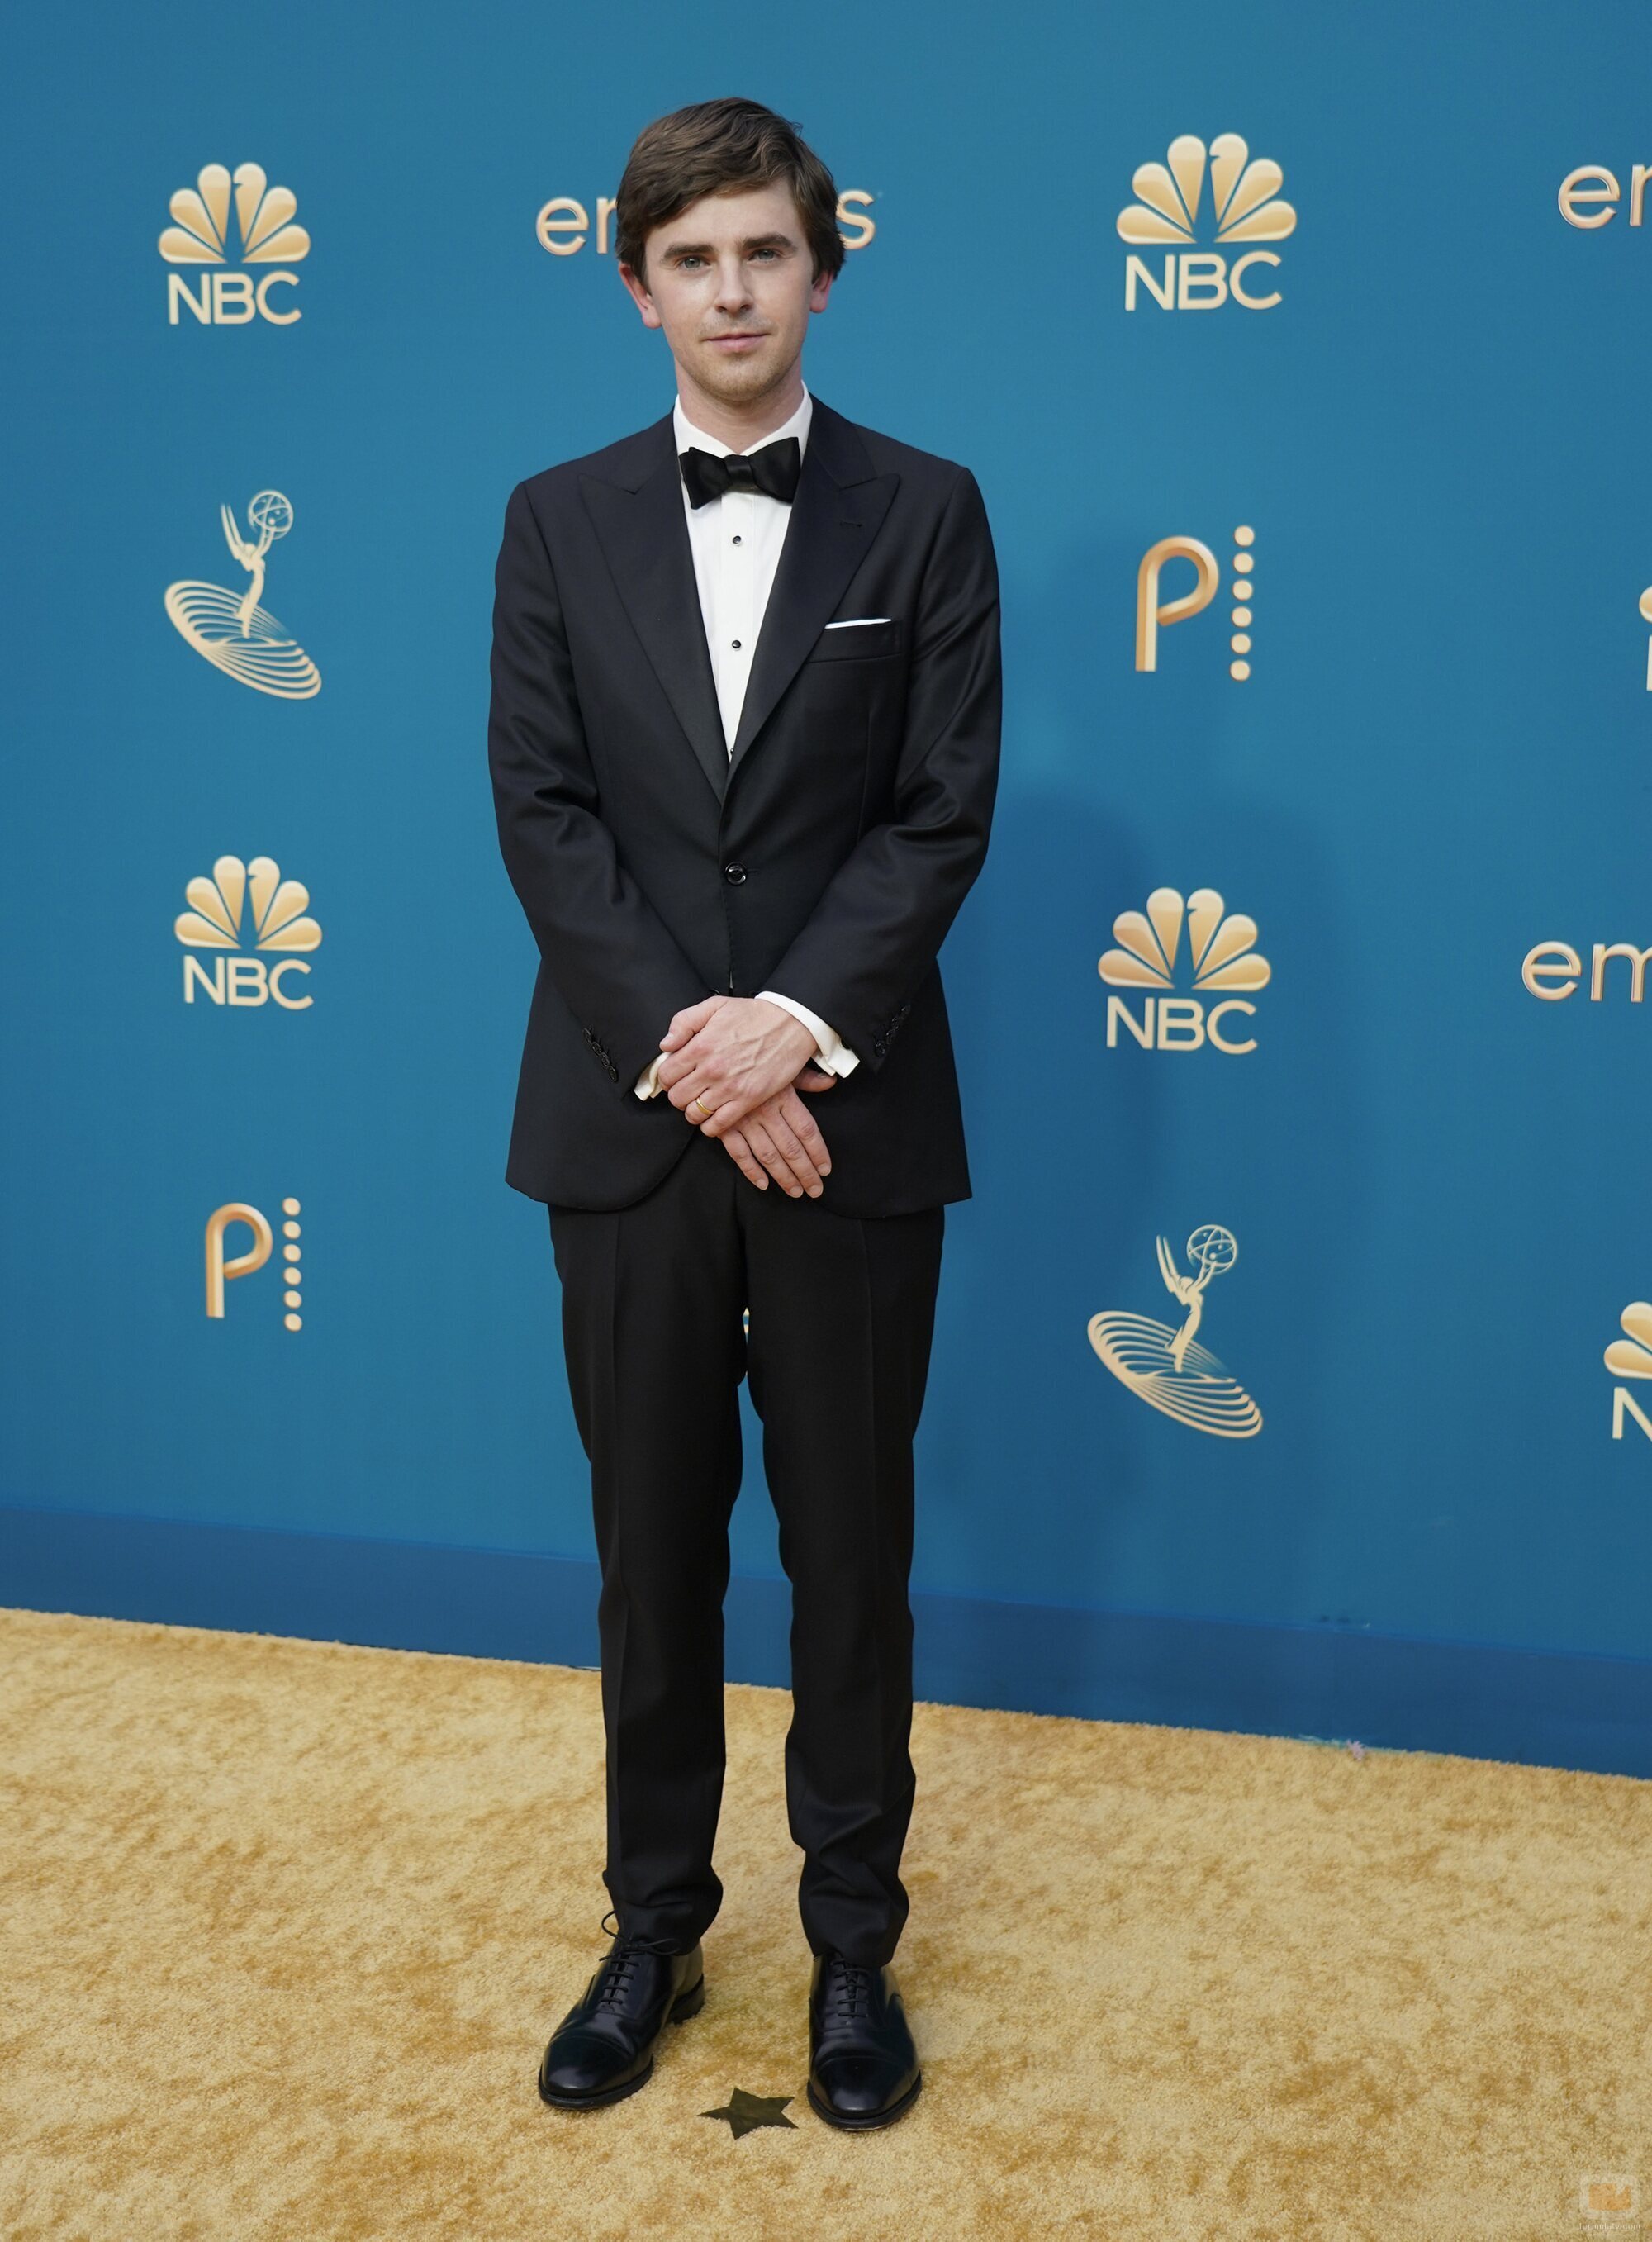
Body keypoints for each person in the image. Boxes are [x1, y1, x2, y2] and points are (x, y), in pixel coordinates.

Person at [487, 94, 1000, 2131]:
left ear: (820, 268)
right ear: (637, 286)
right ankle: (655, 1925)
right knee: (647, 1548)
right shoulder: (550, 516)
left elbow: (939, 810)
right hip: (625, 1122)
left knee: (852, 1547)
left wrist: (788, 1028)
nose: (729, 289)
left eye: (763, 252)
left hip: (852, 1118)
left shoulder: (927, 508)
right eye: (690, 258)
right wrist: (699, 1052)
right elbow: (545, 811)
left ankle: (854, 1945)